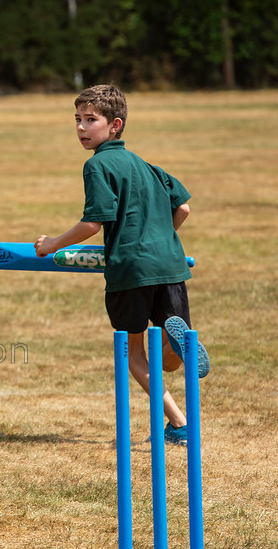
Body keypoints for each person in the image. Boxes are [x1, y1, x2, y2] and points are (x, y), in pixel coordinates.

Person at [34, 84, 209, 445]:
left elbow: (93, 223)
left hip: (130, 269)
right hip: (171, 265)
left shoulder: (97, 165)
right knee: (172, 354)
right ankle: (178, 349)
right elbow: (184, 207)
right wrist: (159, 238)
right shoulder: (148, 166)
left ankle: (179, 422)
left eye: (90, 120)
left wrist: (52, 244)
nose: (82, 128)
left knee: (133, 351)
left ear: (114, 125)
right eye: (78, 120)